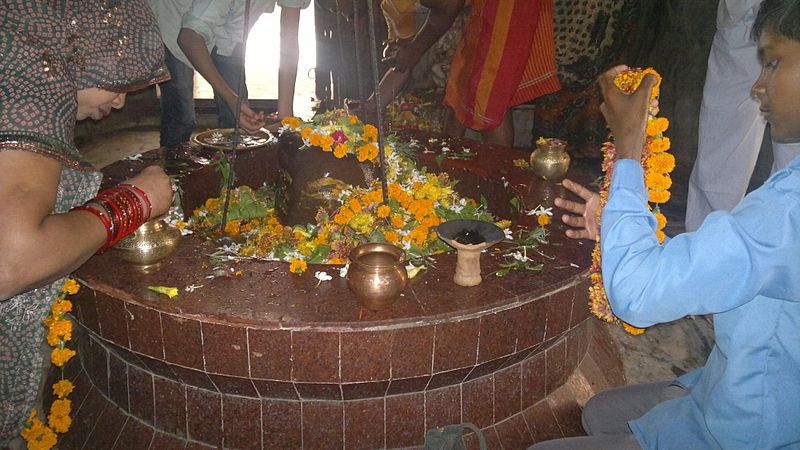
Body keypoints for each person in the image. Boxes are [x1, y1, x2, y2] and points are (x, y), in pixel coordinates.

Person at [535, 0, 800, 448]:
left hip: (749, 430)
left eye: (773, 62)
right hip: (754, 384)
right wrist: (620, 223)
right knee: (600, 411)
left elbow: (637, 295)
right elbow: (738, 265)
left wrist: (629, 147)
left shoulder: (786, 209)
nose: (757, 86)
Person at [0, 0, 174, 447]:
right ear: (77, 43)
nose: (120, 101)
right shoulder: (31, 77)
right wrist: (135, 202)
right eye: (115, 79)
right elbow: (9, 262)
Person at [686, 0, 800, 231]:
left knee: (793, 143)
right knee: (722, 128)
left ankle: (781, 249)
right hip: (744, 10)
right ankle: (704, 244)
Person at [148, 0, 311, 148]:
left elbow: (289, 40)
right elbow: (188, 38)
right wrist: (232, 100)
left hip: (227, 31)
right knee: (181, 117)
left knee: (237, 120)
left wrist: (285, 115)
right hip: (175, 16)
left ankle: (231, 176)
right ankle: (169, 174)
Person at [443, 0, 560, 146]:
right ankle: (442, 157)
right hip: (491, 10)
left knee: (490, 92)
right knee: (464, 78)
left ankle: (498, 166)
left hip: (506, 11)